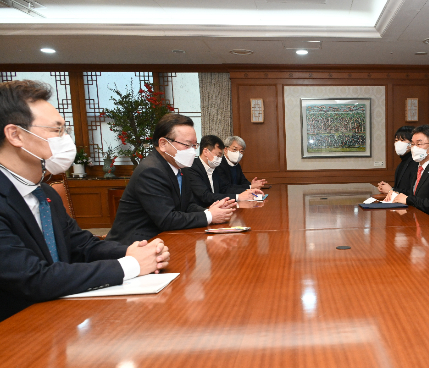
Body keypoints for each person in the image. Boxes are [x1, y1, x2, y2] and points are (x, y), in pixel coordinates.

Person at [0, 80, 170, 321]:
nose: (66, 139)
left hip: (59, 317)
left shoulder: (44, 193)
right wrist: (130, 265)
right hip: (17, 330)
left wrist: (131, 251)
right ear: (15, 134)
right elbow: (34, 278)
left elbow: (82, 246)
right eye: (57, 130)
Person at [106, 114, 236, 245]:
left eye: (194, 145)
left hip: (164, 240)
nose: (192, 151)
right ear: (163, 144)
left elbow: (187, 205)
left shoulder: (181, 167)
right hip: (134, 246)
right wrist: (209, 216)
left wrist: (212, 211)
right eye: (187, 145)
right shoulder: (150, 171)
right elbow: (167, 219)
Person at [385, 125, 429, 221]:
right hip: (417, 220)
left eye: (419, 144)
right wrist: (396, 193)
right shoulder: (419, 167)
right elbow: (414, 193)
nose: (414, 148)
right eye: (413, 144)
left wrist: (407, 199)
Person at [182, 135, 263, 208]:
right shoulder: (191, 168)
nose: (219, 159)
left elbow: (224, 189)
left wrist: (250, 190)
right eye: (217, 155)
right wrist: (238, 197)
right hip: (201, 211)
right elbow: (205, 196)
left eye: (220, 156)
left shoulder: (214, 167)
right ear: (206, 151)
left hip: (218, 208)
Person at [378, 125, 416, 195]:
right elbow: (400, 188)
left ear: (412, 143)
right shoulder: (402, 163)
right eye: (396, 140)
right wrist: (386, 188)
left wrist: (391, 190)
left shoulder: (416, 163)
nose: (398, 143)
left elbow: (413, 192)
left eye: (402, 140)